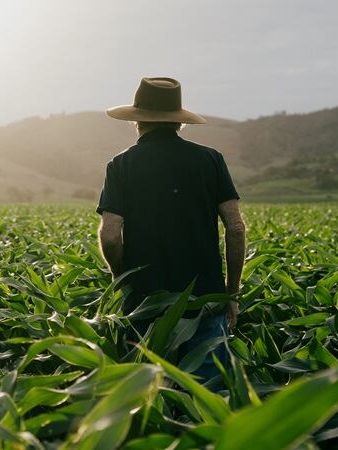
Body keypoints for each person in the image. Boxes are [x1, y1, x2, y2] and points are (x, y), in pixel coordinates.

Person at [96, 77, 246, 381]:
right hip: (205, 300)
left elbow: (110, 235)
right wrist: (230, 293)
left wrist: (121, 278)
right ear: (179, 123)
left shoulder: (121, 165)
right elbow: (236, 228)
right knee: (208, 396)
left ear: (138, 121)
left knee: (152, 391)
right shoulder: (210, 160)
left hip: (146, 302)